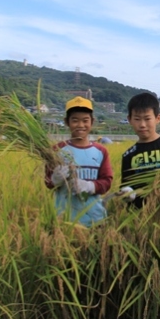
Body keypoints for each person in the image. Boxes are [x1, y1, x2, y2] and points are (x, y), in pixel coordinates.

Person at [45, 96, 113, 227]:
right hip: (63, 219)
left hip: (95, 218)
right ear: (66, 122)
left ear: (92, 122)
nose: (80, 125)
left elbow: (107, 182)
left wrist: (89, 186)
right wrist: (55, 179)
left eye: (85, 120)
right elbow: (47, 182)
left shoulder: (101, 151)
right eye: (75, 120)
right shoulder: (56, 150)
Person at [120, 92, 160, 209]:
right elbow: (126, 186)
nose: (142, 125)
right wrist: (127, 194)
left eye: (147, 119)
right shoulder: (129, 155)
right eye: (137, 119)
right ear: (129, 120)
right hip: (142, 214)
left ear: (158, 118)